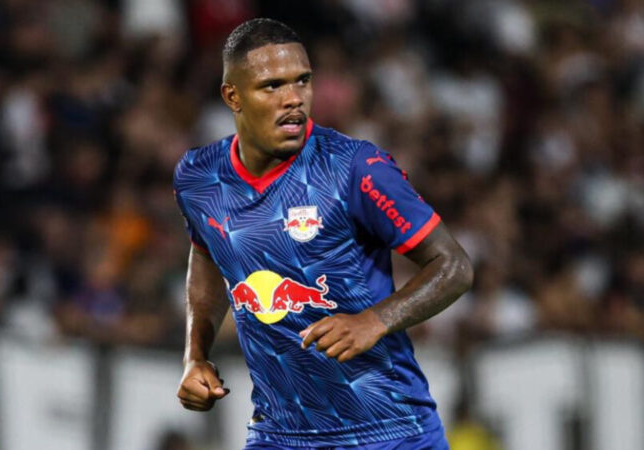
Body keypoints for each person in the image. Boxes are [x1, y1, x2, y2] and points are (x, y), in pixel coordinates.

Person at [173, 18, 473, 449]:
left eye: (303, 80)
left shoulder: (354, 167)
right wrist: (195, 355)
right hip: (279, 434)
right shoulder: (198, 177)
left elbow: (455, 266)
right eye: (272, 86)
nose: (294, 98)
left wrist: (375, 320)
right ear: (232, 96)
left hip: (388, 430)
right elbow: (205, 255)